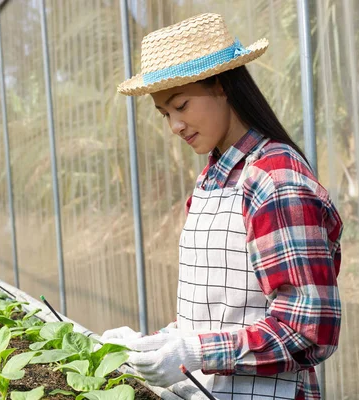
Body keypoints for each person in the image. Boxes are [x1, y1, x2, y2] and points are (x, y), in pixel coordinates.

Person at [101, 13, 342, 400]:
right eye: (165, 114)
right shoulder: (211, 180)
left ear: (223, 85)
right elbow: (220, 310)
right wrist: (155, 345)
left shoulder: (274, 182)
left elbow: (308, 331)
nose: (174, 126)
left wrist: (195, 352)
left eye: (181, 105)